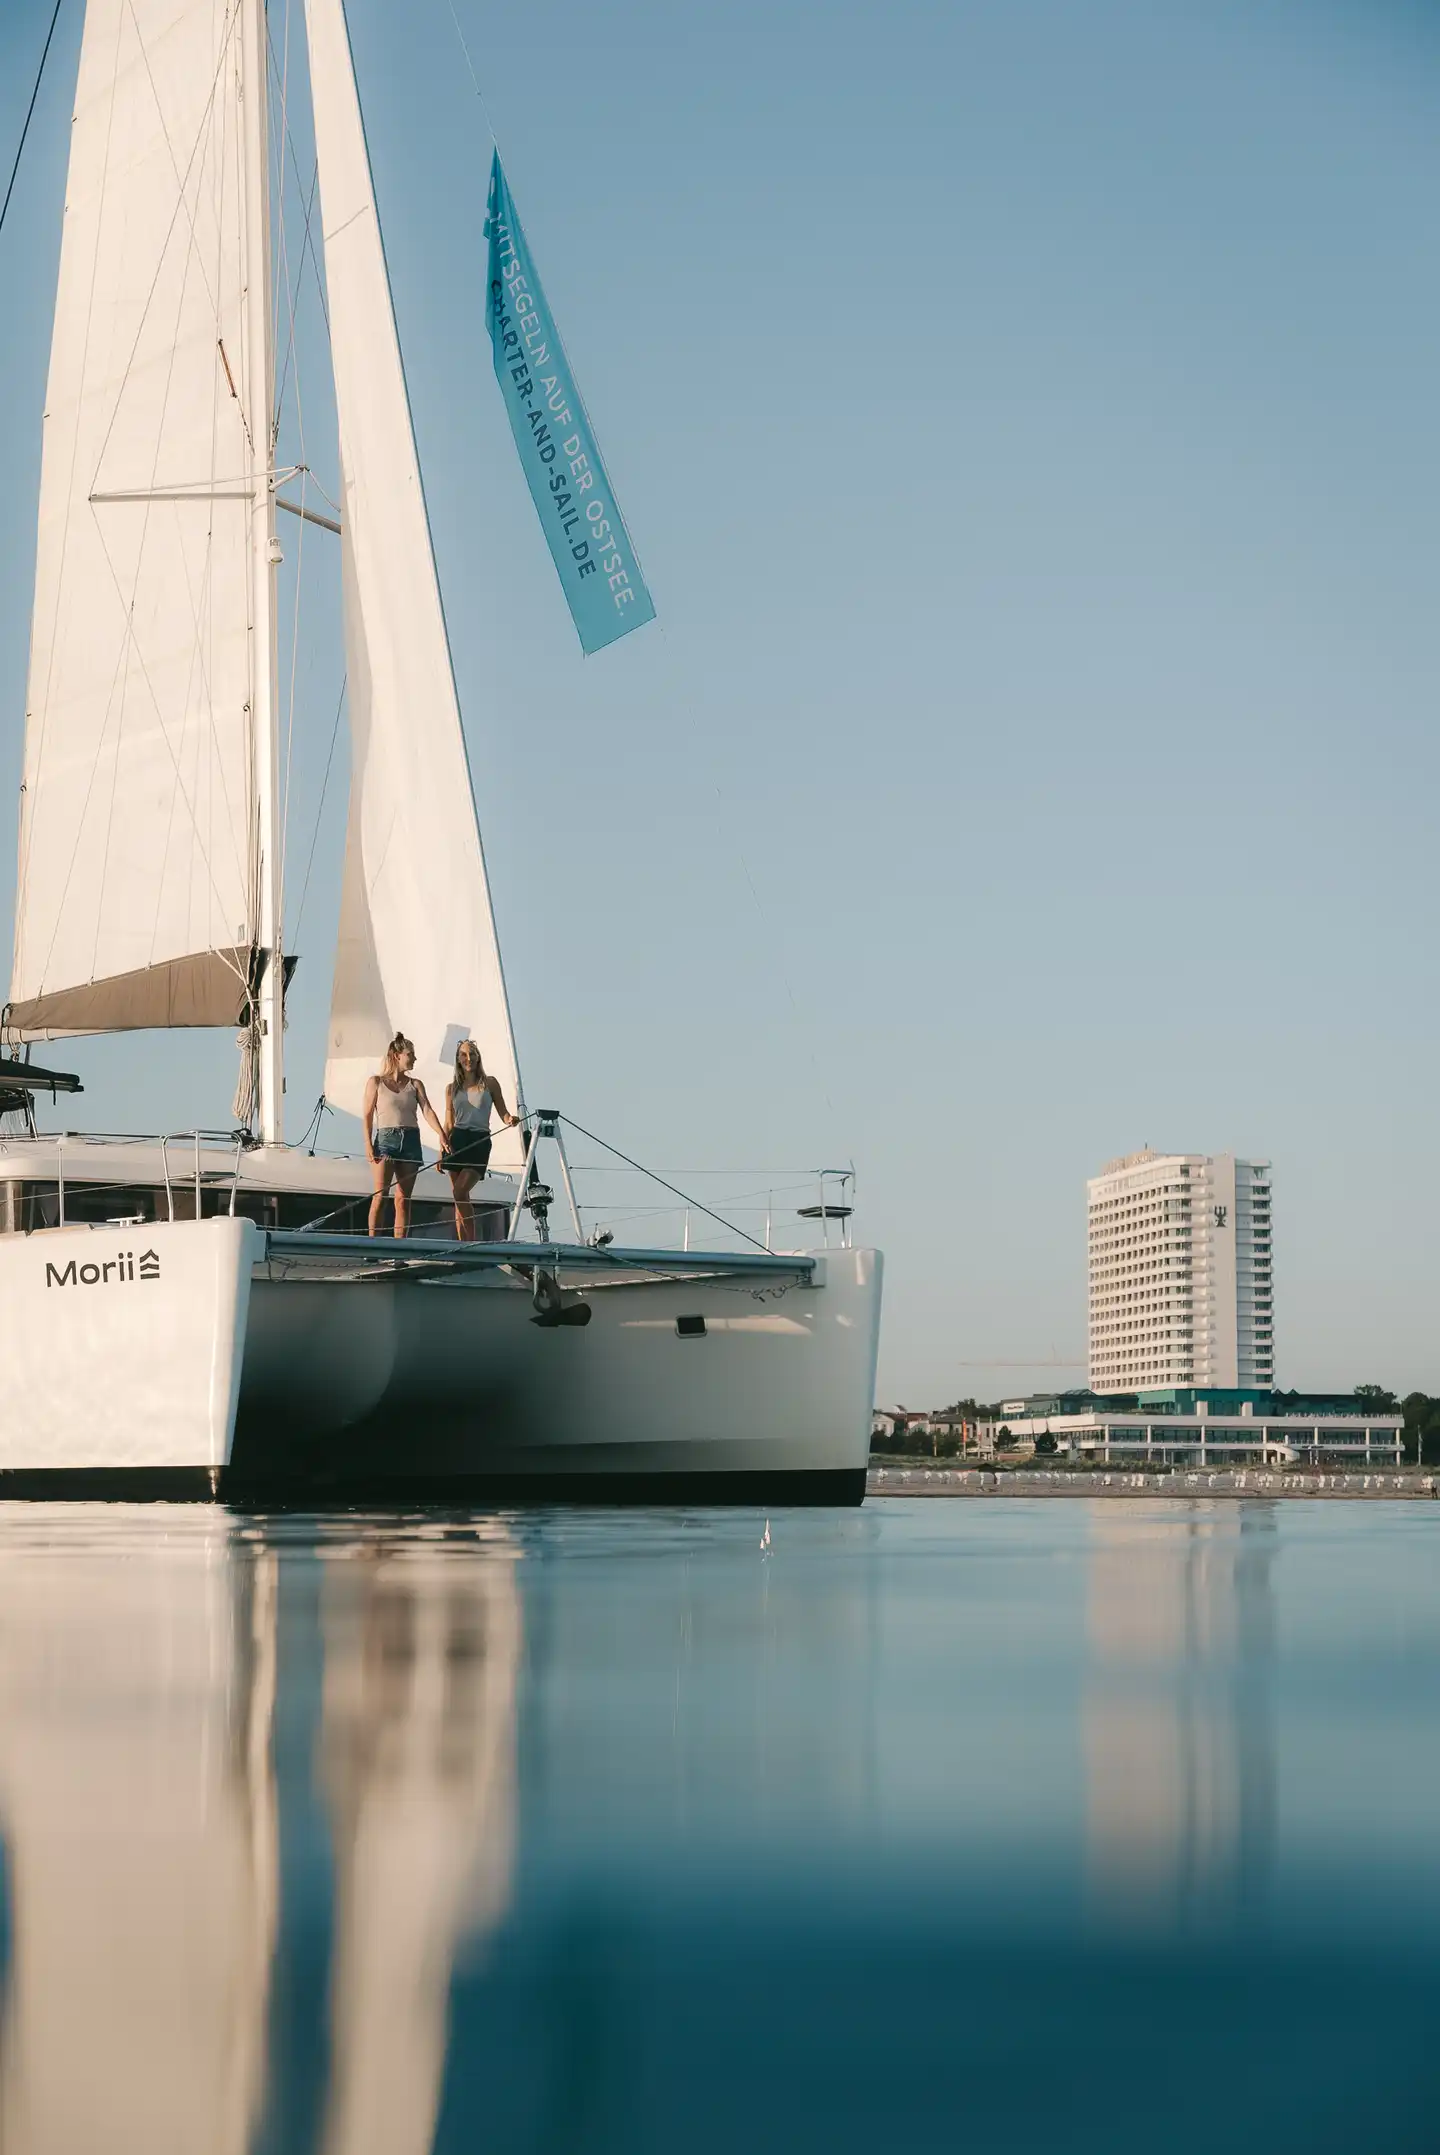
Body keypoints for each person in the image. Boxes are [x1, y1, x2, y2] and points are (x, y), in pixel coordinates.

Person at [362, 1034, 447, 1238]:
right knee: (381, 1196)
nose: (414, 1058)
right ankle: (373, 1246)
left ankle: (399, 1250)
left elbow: (427, 1110)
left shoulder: (415, 1084)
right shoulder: (376, 1082)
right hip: (385, 1140)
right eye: (411, 1054)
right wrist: (367, 1144)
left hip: (410, 1140)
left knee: (403, 1199)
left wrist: (441, 1135)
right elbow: (367, 1114)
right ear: (397, 1056)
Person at [442, 1039, 518, 1242]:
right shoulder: (451, 1088)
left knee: (460, 1191)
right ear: (458, 1059)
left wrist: (510, 1119)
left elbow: (503, 1112)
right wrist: (443, 1150)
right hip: (456, 1140)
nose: (469, 1058)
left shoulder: (490, 1083)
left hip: (479, 1140)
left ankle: (472, 1242)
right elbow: (448, 1122)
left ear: (478, 1057)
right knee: (459, 1198)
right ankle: (462, 1246)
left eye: (472, 1053)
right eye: (464, 1054)